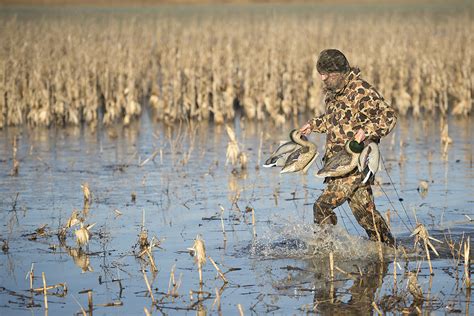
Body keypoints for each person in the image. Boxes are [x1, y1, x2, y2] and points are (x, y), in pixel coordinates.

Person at [299, 49, 397, 245]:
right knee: (366, 217)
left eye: (327, 73)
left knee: (322, 206)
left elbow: (388, 116)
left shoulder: (361, 91)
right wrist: (313, 125)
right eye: (321, 73)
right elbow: (334, 120)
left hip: (355, 165)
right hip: (339, 165)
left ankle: (326, 247)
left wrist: (367, 131)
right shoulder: (334, 94)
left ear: (340, 72)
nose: (323, 78)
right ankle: (389, 249)